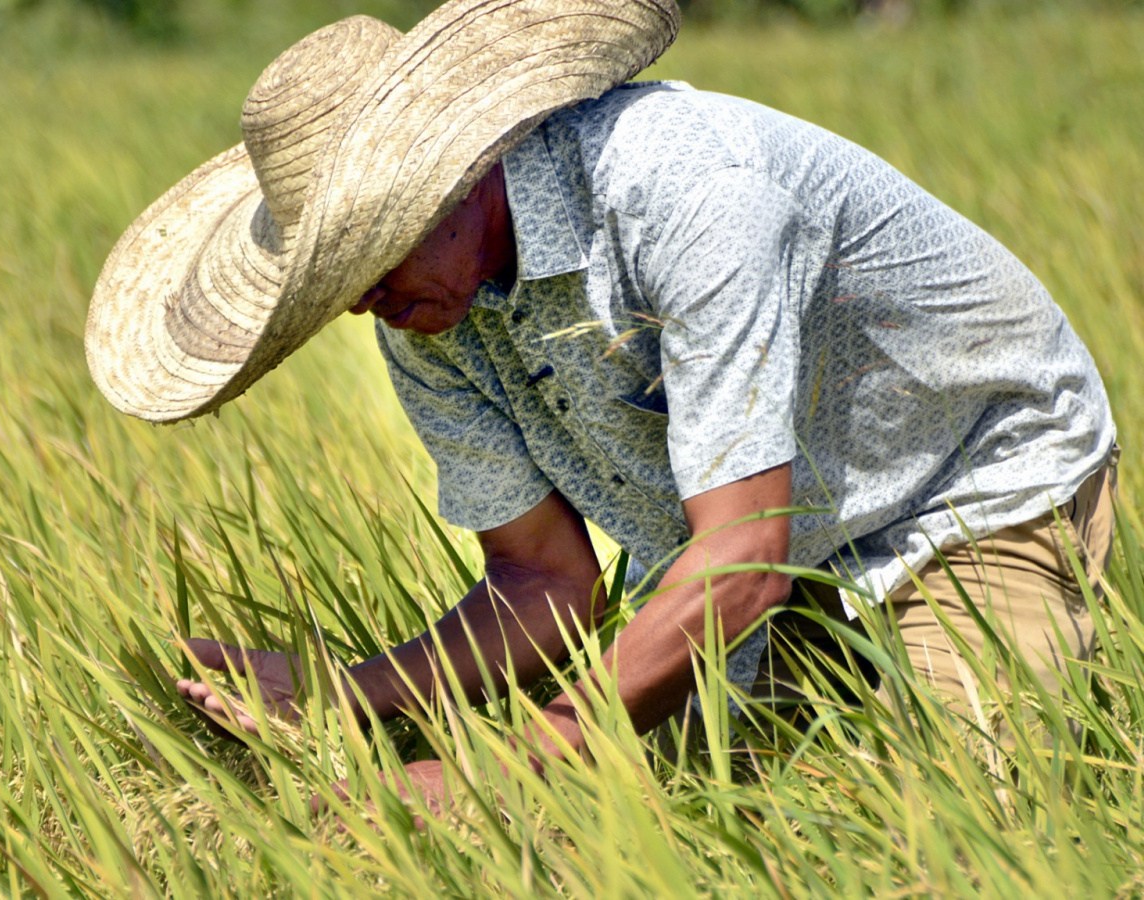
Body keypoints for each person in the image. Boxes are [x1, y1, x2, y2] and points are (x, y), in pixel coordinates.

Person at [86, 0, 1117, 813]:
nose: (361, 302)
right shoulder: (426, 311)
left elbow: (743, 562)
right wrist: (342, 697)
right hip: (763, 551)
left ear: (456, 179)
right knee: (706, 817)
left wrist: (501, 768)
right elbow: (544, 579)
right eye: (336, 281)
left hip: (965, 492)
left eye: (368, 256)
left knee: (949, 821)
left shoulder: (680, 193)